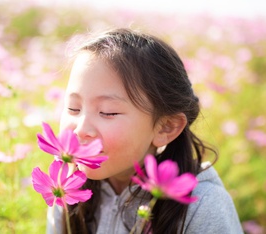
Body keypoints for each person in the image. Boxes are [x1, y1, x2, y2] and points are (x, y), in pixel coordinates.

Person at [46, 28, 243, 234]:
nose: (80, 129)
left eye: (108, 112)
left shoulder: (203, 205)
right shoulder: (65, 188)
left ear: (166, 127)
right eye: (73, 108)